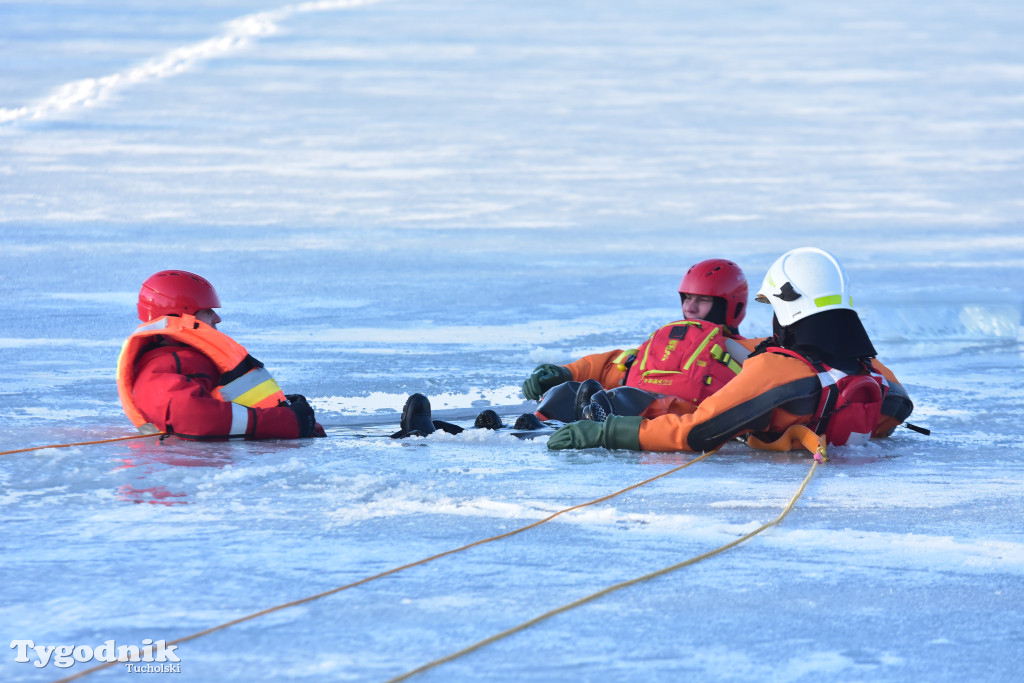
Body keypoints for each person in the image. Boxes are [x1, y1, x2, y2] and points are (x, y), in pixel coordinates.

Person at [547, 247, 914, 454]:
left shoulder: (777, 367)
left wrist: (608, 433)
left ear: (787, 308)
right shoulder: (873, 372)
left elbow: (695, 433)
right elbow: (896, 412)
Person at [522, 258, 764, 422]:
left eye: (702, 300)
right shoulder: (673, 338)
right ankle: (529, 425)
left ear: (730, 304)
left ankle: (599, 415)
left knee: (626, 398)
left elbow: (782, 371)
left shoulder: (748, 351)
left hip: (671, 417)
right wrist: (566, 372)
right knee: (567, 392)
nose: (690, 308)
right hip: (629, 407)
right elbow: (617, 363)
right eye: (686, 298)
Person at [117, 270, 325, 440]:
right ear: (181, 316)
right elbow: (195, 417)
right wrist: (286, 422)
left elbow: (218, 401)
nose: (217, 318)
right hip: (196, 478)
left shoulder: (184, 358)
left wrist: (284, 409)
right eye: (208, 310)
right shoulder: (164, 365)